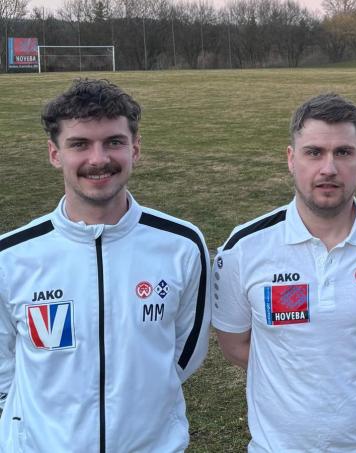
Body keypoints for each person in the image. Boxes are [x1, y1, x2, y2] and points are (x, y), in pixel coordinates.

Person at [0, 78, 210, 451]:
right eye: (79, 144)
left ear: (136, 149)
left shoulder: (182, 245)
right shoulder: (11, 256)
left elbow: (183, 354)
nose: (98, 159)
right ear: (54, 154)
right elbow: (3, 367)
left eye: (114, 142)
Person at [213, 93, 356, 452]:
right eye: (314, 152)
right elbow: (234, 344)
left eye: (343, 152)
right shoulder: (244, 247)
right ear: (291, 160)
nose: (329, 168)